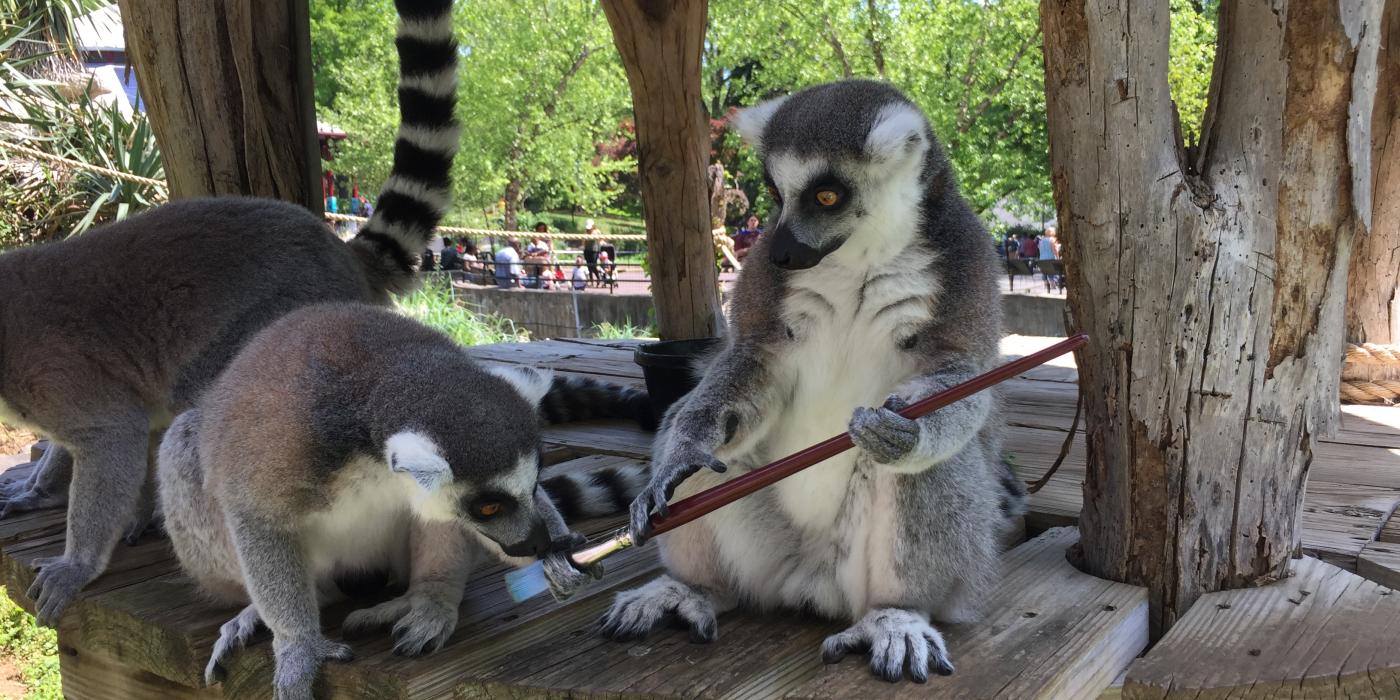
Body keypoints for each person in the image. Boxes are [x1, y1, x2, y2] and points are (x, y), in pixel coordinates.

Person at [581, 218, 601, 285]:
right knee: (589, 266)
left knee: (593, 265)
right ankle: (591, 280)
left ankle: (598, 278)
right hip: (587, 250)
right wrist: (583, 246)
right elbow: (583, 242)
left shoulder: (597, 231)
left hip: (595, 250)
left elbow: (600, 240)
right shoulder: (585, 232)